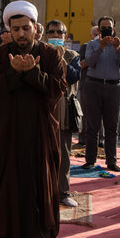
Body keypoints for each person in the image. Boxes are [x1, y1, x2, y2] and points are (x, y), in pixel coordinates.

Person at [0, 1, 65, 238]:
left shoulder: (50, 55)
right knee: (6, 183)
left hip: (39, 133)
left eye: (25, 28)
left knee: (38, 182)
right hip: (7, 134)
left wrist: (32, 72)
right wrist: (13, 74)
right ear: (9, 29)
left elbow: (57, 89)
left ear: (35, 28)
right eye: (15, 29)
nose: (20, 34)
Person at [80, 16, 120, 172]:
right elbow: (89, 62)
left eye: (110, 27)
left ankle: (111, 161)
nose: (107, 30)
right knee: (92, 125)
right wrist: (101, 47)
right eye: (104, 28)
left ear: (114, 28)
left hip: (113, 88)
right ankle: (90, 160)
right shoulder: (92, 44)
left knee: (111, 126)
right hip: (93, 85)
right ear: (99, 29)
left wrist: (117, 48)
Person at [46, 19, 81, 208]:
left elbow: (74, 76)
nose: (55, 36)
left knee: (63, 153)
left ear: (65, 36)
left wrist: (60, 60)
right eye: (51, 32)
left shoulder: (73, 55)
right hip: (43, 110)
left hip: (64, 111)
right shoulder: (41, 53)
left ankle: (62, 192)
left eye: (59, 33)